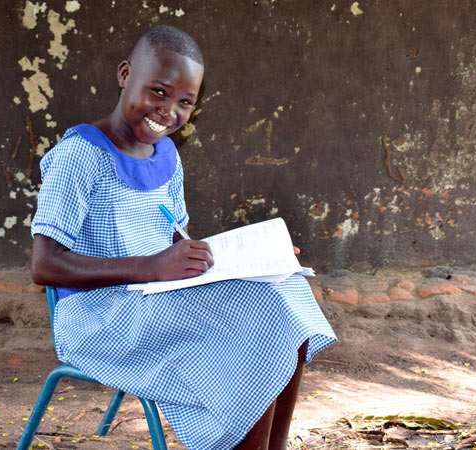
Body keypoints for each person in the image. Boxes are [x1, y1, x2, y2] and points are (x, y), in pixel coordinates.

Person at [30, 24, 336, 450]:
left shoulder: (167, 156)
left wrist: (260, 257)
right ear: (124, 75)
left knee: (285, 289)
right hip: (99, 314)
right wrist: (150, 268)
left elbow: (175, 238)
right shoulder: (80, 156)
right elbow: (44, 266)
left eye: (184, 102)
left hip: (155, 295)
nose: (167, 111)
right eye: (158, 91)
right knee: (257, 317)